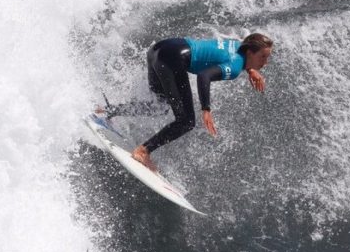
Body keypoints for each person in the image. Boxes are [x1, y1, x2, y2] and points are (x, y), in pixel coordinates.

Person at [100, 33, 273, 171]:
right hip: (173, 60)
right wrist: (206, 109)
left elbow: (234, 56)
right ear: (250, 52)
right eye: (263, 57)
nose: (265, 63)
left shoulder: (238, 45)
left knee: (159, 106)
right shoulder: (235, 67)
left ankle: (107, 111)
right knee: (187, 122)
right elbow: (204, 76)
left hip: (160, 50)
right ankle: (143, 151)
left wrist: (251, 68)